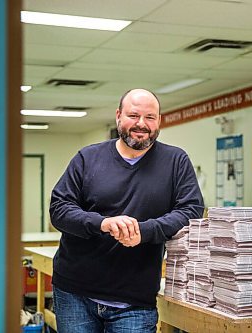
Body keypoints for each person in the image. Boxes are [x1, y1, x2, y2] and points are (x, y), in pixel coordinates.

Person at [49, 88, 204, 332]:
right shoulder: (88, 157)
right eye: (134, 115)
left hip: (135, 300)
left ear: (159, 121)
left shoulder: (175, 161)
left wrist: (145, 231)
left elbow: (191, 210)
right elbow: (59, 208)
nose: (141, 124)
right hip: (75, 293)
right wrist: (103, 223)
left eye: (150, 117)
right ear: (119, 116)